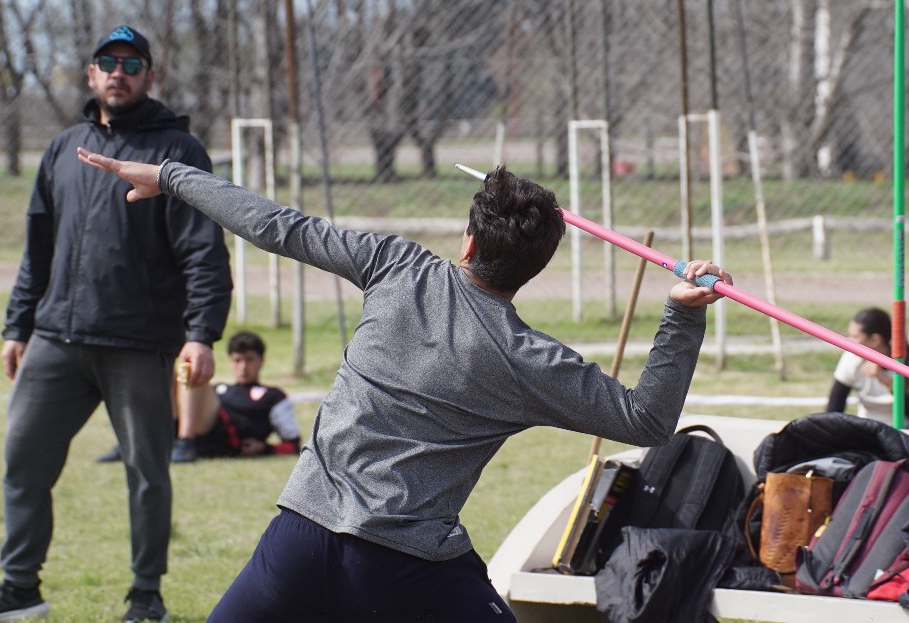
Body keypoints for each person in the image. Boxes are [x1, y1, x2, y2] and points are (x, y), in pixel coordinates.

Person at [75, 149, 729, 622]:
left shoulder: (397, 266)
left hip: (302, 539)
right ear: (533, 268)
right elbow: (647, 420)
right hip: (405, 568)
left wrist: (172, 176)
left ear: (468, 243)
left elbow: (276, 227)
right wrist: (682, 313)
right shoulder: (531, 361)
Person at [0, 25, 232, 623]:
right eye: (108, 61)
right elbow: (37, 248)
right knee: (23, 460)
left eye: (132, 63)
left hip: (138, 342)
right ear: (90, 73)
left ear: (149, 75)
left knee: (147, 474)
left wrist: (201, 333)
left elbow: (203, 250)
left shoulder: (177, 151)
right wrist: (17, 327)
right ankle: (20, 587)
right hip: (56, 337)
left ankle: (146, 596)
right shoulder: (63, 148)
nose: (118, 72)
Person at [171, 330, 301, 463]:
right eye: (237, 360)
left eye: (249, 360)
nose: (243, 367)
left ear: (261, 361)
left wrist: (265, 448)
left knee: (194, 369)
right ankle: (165, 439)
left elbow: (293, 445)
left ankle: (185, 442)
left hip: (227, 436)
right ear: (230, 362)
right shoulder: (220, 388)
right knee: (171, 375)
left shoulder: (273, 396)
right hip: (198, 427)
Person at [825, 307, 909, 431]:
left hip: (903, 432)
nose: (848, 342)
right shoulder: (851, 358)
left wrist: (887, 382)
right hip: (867, 430)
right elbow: (833, 409)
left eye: (855, 337)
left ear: (875, 340)